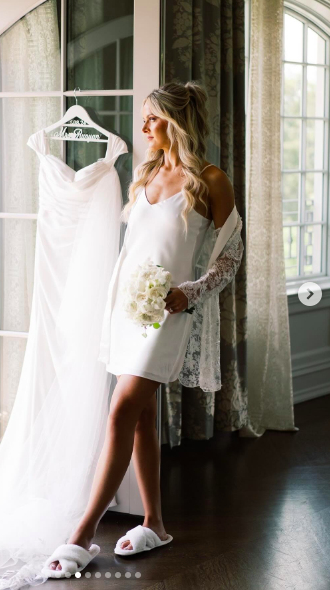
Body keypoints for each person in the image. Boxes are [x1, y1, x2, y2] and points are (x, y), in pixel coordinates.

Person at [44, 80, 238, 575]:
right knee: (142, 417)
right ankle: (155, 522)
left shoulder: (211, 180)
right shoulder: (147, 174)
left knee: (120, 410)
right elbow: (134, 250)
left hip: (169, 311)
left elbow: (231, 256)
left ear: (176, 120)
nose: (145, 125)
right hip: (129, 309)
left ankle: (82, 534)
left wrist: (188, 293)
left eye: (152, 117)